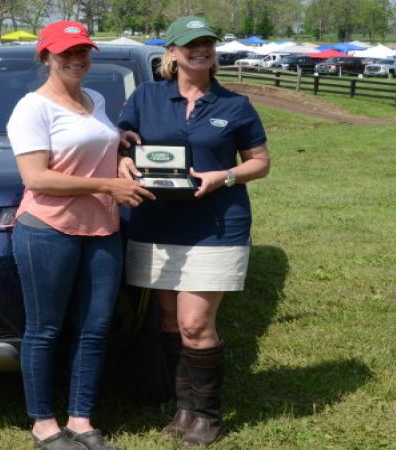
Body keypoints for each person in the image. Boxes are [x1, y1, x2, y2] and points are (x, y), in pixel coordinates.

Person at [117, 16, 271, 447]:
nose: (199, 50)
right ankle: (183, 410)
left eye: (206, 43)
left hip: (214, 226)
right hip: (156, 223)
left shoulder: (235, 104)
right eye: (190, 44)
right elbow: (120, 139)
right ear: (171, 52)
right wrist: (120, 157)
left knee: (194, 323)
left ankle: (209, 416)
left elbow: (260, 162)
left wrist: (224, 176)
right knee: (168, 319)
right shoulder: (145, 97)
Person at [7, 20, 153, 450]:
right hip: (48, 229)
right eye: (66, 52)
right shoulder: (32, 108)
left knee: (95, 327)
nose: (77, 59)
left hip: (102, 227)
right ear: (45, 56)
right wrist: (109, 186)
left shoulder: (96, 99)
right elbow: (37, 178)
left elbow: (97, 145)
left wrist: (121, 149)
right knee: (45, 328)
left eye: (83, 51)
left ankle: (81, 419)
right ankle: (43, 424)